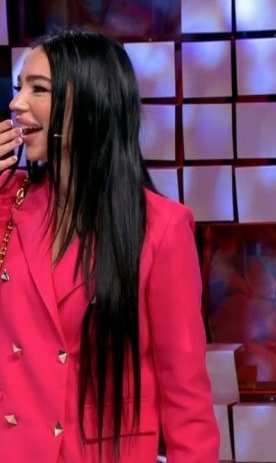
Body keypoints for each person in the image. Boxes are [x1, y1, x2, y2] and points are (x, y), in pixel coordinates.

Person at [0, 30, 220, 462]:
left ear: (90, 101)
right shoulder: (8, 202)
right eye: (18, 87)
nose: (16, 104)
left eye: (38, 89)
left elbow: (186, 398)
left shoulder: (161, 227)